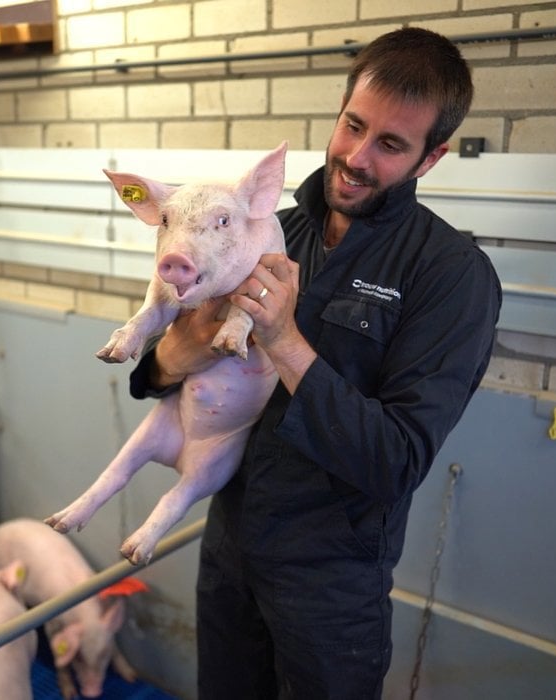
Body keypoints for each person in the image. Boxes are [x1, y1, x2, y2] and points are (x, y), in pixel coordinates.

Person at [128, 27, 502, 699]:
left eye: (390, 144)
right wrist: (168, 358)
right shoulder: (262, 227)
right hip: (230, 550)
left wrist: (284, 339)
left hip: (331, 588)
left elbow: (398, 459)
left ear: (431, 157)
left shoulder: (450, 275)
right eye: (352, 126)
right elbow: (155, 376)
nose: (356, 157)